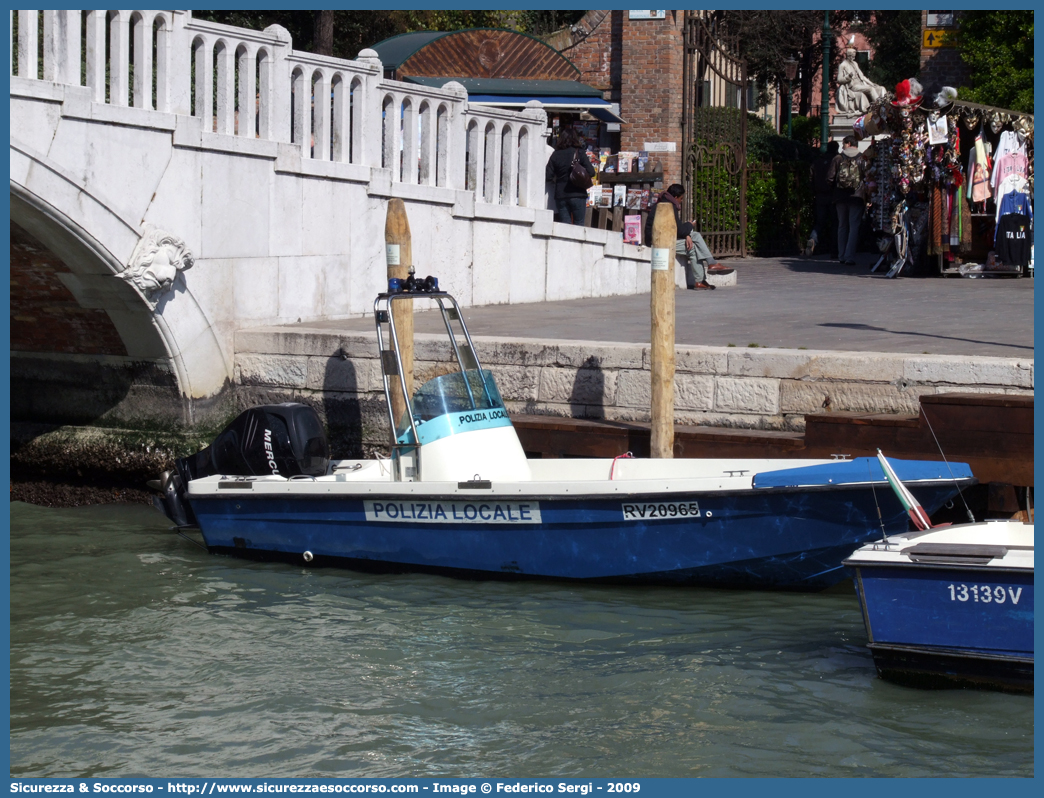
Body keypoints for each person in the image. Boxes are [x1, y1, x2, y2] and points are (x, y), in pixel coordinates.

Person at [644, 183, 721, 290]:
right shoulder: (669, 206)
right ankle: (708, 268)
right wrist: (690, 225)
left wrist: (687, 235)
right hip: (659, 242)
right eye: (681, 198)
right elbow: (679, 230)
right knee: (694, 241)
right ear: (675, 197)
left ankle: (702, 279)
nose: (682, 201)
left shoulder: (665, 203)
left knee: (692, 244)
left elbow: (674, 228)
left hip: (666, 238)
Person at [828, 136, 866, 265]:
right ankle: (850, 256)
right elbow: (867, 177)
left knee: (842, 226)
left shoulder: (838, 158)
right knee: (854, 226)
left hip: (840, 197)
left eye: (843, 144)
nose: (842, 146)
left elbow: (830, 178)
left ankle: (841, 255)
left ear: (848, 143)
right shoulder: (862, 158)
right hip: (857, 196)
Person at [545, 129, 596, 225]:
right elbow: (591, 172)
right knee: (579, 223)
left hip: (561, 195)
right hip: (577, 193)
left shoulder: (555, 154)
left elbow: (548, 176)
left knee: (565, 226)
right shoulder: (579, 152)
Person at [806, 140, 839, 257]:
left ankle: (813, 239)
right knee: (835, 223)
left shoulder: (817, 162)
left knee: (819, 222)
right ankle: (834, 250)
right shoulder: (836, 160)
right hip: (833, 195)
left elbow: (810, 178)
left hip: (820, 195)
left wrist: (814, 191)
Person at [835, 48, 885, 114]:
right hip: (853, 86)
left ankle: (886, 105)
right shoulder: (842, 65)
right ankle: (880, 107)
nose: (853, 58)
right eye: (852, 56)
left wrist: (872, 83)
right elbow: (839, 80)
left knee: (880, 88)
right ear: (848, 56)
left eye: (854, 56)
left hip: (861, 84)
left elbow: (862, 76)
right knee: (870, 89)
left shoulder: (855, 63)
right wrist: (848, 77)